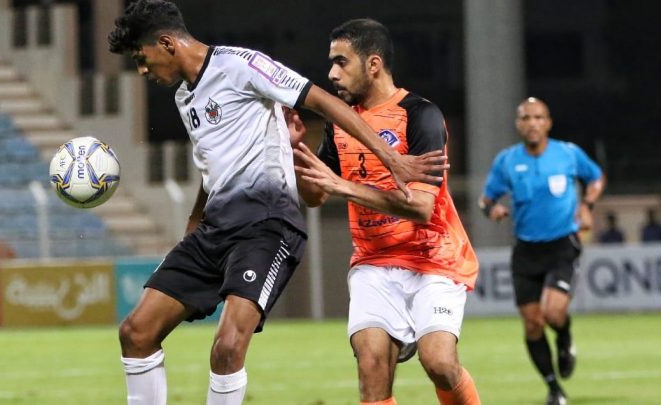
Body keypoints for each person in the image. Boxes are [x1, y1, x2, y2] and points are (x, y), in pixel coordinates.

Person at [106, 2, 447, 404]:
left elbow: (323, 102)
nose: (142, 70)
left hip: (266, 226)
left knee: (227, 347)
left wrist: (391, 159)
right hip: (215, 228)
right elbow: (211, 164)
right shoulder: (185, 96)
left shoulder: (241, 65)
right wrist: (193, 226)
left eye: (141, 58)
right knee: (136, 332)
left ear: (166, 43)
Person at [291, 19, 480, 405]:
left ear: (373, 64)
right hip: (373, 261)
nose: (332, 74)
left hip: (432, 259)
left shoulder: (420, 115)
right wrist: (298, 153)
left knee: (440, 363)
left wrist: (343, 186)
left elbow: (422, 208)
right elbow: (314, 196)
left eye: (341, 62)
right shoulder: (340, 124)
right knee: (372, 368)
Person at [479, 98, 604, 405]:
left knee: (553, 313)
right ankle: (554, 388)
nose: (532, 123)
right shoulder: (507, 161)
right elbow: (486, 199)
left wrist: (587, 206)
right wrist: (492, 209)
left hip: (562, 244)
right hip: (525, 250)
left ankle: (564, 337)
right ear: (518, 124)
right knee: (533, 323)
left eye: (538, 117)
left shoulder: (568, 153)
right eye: (526, 118)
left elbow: (596, 178)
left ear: (548, 123)